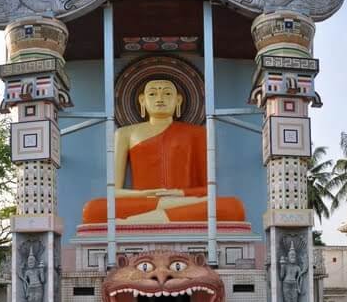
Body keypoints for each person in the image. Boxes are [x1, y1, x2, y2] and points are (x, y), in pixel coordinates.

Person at [81, 78, 246, 224]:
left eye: (167, 94)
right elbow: (113, 191)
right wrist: (146, 195)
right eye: (152, 94)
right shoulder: (125, 133)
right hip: (146, 201)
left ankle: (142, 220)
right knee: (92, 210)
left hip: (184, 199)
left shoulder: (198, 133)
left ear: (178, 101)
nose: (160, 99)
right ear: (142, 100)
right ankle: (166, 212)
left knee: (233, 207)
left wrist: (178, 193)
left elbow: (208, 190)